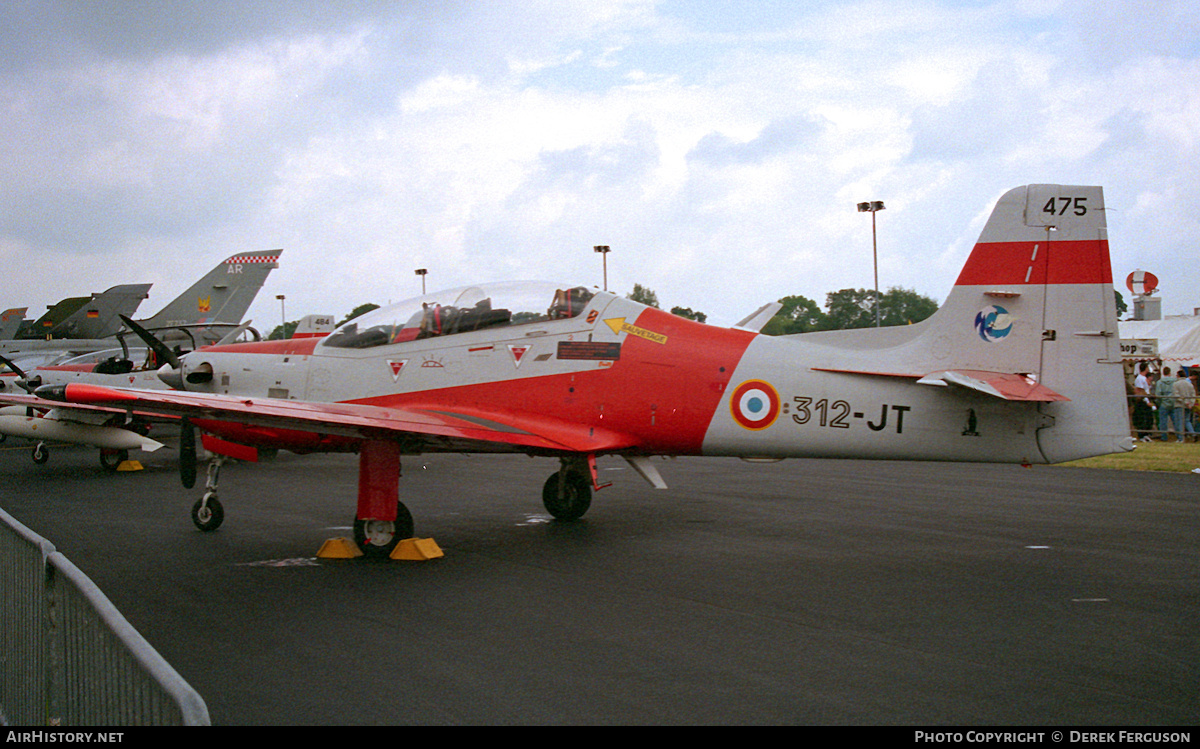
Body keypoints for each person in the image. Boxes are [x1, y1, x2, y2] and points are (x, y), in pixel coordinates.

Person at [1154, 365, 1179, 441]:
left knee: (1163, 421)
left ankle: (1164, 437)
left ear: (1163, 373)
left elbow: (1158, 394)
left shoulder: (1160, 382)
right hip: (1173, 403)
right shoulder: (1175, 381)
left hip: (1164, 403)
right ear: (1170, 372)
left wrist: (1158, 403)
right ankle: (1179, 436)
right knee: (1176, 421)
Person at [1132, 361, 1156, 442]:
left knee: (1149, 418)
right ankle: (1142, 435)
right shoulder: (1139, 379)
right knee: (1143, 418)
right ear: (1145, 368)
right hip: (1143, 400)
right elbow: (1141, 391)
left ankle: (1146, 434)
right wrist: (1146, 401)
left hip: (1147, 398)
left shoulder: (1144, 378)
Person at [1176, 366, 1200, 443]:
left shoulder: (1176, 384)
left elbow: (1177, 395)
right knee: (1187, 421)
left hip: (1181, 404)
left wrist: (1186, 402)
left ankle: (1181, 438)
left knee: (1180, 421)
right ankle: (1193, 433)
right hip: (1189, 404)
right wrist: (1191, 404)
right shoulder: (1190, 384)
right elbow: (1193, 394)